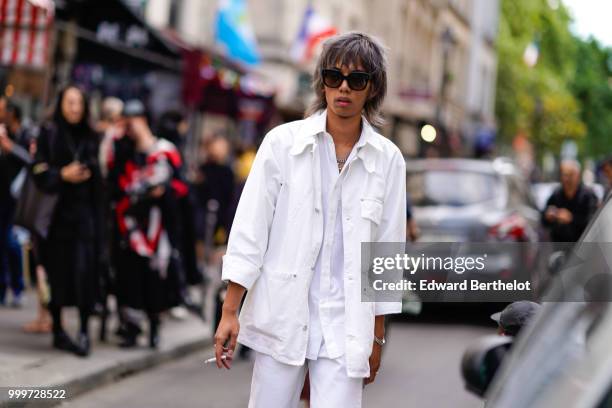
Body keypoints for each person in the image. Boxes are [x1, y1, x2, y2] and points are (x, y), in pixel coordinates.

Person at [214, 32, 406, 407]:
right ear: (322, 82)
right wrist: (230, 311)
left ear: (373, 88)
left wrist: (376, 338)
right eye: (334, 77)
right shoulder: (282, 145)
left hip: (346, 325)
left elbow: (385, 257)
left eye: (357, 79)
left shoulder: (388, 160)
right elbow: (251, 231)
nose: (344, 88)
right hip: (283, 314)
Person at [31, 85, 105, 357]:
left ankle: (84, 330)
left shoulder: (92, 136)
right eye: (69, 102)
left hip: (85, 216)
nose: (74, 107)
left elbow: (100, 180)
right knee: (57, 275)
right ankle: (58, 330)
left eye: (78, 103)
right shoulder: (49, 133)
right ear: (61, 103)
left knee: (85, 274)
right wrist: (62, 174)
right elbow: (37, 171)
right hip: (55, 218)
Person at [108, 100, 185, 348]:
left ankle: (153, 327)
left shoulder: (165, 151)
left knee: (154, 278)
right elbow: (114, 181)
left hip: (157, 225)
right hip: (129, 225)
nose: (132, 126)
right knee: (128, 277)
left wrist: (164, 192)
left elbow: (182, 188)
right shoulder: (124, 150)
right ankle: (131, 327)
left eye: (136, 120)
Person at [0, 98, 28, 307]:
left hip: (19, 198)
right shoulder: (4, 133)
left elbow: (31, 160)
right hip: (3, 196)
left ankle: (17, 286)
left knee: (11, 241)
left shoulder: (26, 135)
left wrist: (9, 147)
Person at [542, 159, 598, 243]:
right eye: (564, 175)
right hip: (559, 246)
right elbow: (543, 220)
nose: (566, 179)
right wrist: (548, 216)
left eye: (570, 175)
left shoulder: (588, 196)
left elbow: (593, 223)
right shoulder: (556, 195)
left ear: (578, 176)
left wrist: (571, 218)